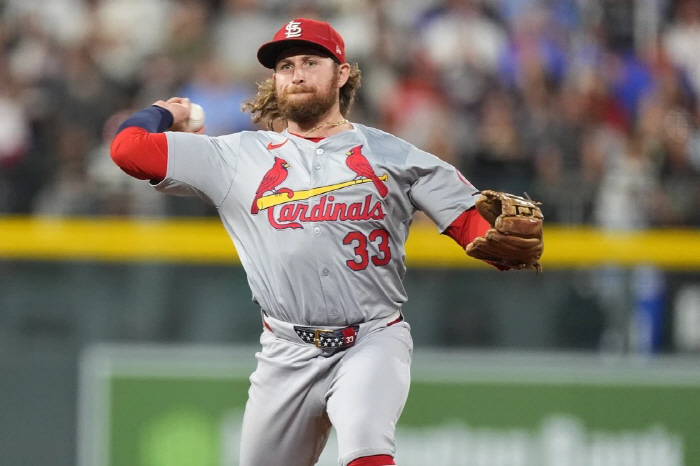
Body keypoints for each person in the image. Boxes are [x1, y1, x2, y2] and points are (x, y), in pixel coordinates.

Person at [110, 18, 542, 466]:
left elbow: (475, 227)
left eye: (310, 62)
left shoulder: (395, 156)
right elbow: (127, 149)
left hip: (371, 340)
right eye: (285, 66)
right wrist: (164, 111)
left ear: (342, 74)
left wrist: (493, 243)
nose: (296, 74)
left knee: (367, 451)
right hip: (285, 351)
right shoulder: (235, 157)